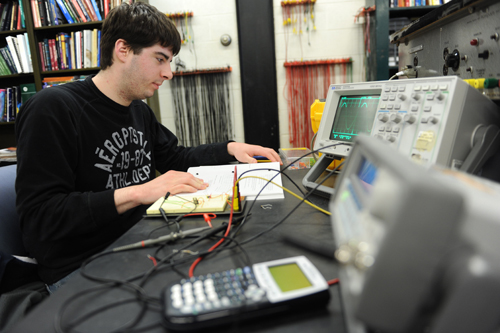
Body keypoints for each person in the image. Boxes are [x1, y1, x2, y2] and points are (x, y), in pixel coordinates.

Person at [15, 2, 281, 293]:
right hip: (81, 268)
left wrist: (229, 148)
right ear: (123, 50)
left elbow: (175, 158)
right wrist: (141, 192)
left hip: (141, 243)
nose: (169, 73)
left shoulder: (138, 111)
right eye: (160, 59)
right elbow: (40, 218)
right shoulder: (52, 108)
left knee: (242, 261)